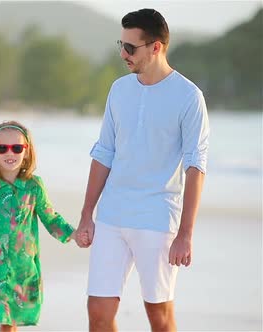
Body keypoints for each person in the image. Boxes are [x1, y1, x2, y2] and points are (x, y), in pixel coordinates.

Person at [75, 8, 209, 331]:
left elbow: (195, 165)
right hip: (112, 216)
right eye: (120, 45)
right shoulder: (119, 91)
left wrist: (186, 234)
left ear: (156, 47)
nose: (123, 54)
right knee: (98, 313)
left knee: (159, 318)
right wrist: (86, 213)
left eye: (130, 48)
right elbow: (104, 152)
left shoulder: (189, 97)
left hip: (157, 219)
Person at [0, 121, 78, 331]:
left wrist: (75, 234)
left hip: (21, 268)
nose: (9, 153)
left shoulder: (34, 186)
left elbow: (51, 218)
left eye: (16, 147)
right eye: (2, 148)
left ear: (27, 151)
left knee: (10, 324)